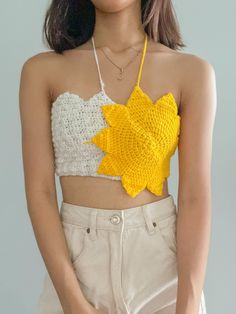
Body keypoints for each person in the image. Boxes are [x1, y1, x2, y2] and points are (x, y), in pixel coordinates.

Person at [19, 0, 216, 313]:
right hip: (76, 271)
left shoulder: (192, 72)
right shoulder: (41, 71)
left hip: (162, 269)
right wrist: (71, 300)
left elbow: (195, 196)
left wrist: (189, 301)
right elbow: (39, 192)